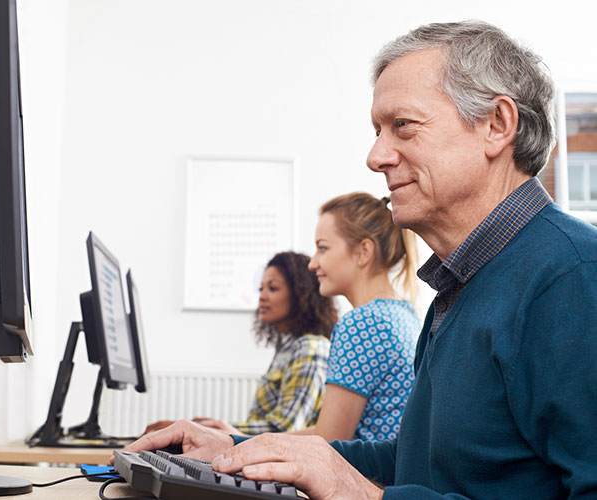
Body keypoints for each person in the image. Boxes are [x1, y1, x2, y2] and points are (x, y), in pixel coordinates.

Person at [120, 20, 597, 500]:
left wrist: (366, 496)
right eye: (377, 131)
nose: (375, 156)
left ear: (496, 125)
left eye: (402, 126)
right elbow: (413, 462)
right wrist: (238, 450)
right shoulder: (463, 286)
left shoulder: (573, 278)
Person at [145, 251, 337, 435]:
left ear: (300, 294)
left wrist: (206, 429)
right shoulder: (288, 349)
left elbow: (285, 430)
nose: (262, 296)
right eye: (261, 289)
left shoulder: (311, 348)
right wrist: (210, 427)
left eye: (273, 288)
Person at [291, 192, 420, 442]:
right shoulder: (404, 314)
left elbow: (329, 442)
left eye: (323, 248)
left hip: (369, 478)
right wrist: (247, 439)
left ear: (363, 252)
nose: (312, 263)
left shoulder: (363, 324)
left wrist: (241, 444)